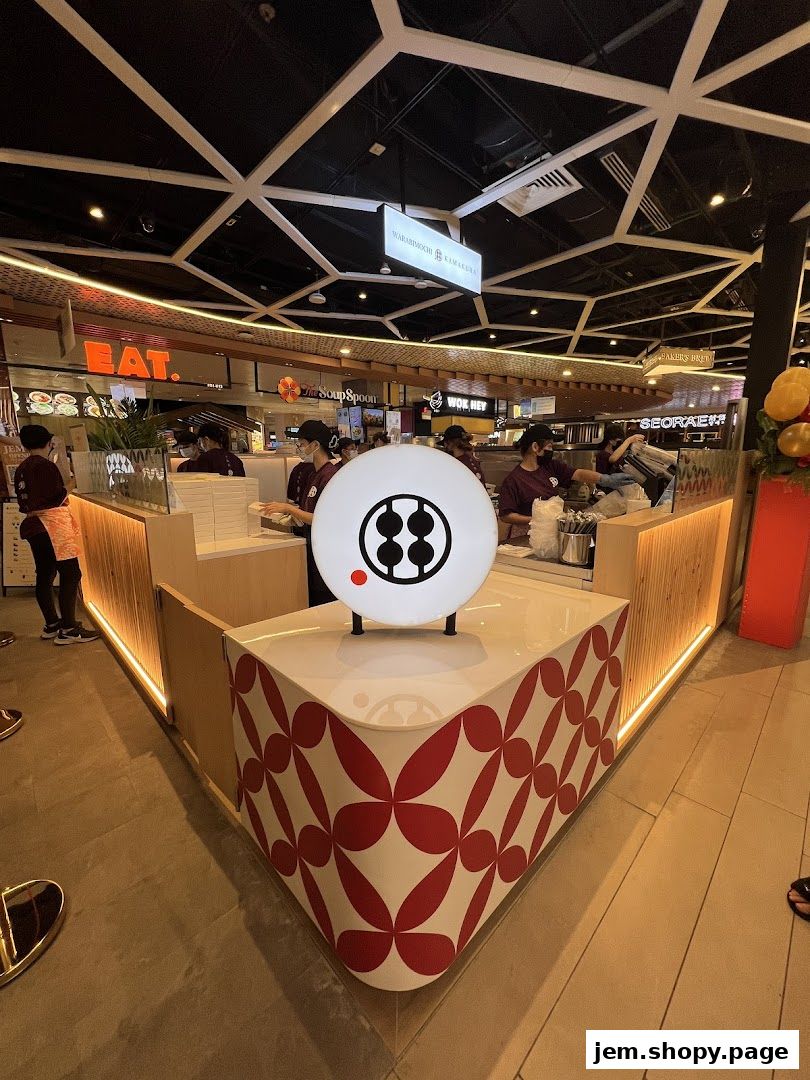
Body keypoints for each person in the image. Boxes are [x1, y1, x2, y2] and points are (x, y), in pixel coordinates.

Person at [13, 425, 99, 644]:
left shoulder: (22, 467)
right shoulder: (45, 466)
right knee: (71, 574)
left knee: (45, 574)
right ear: (49, 442)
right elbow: (54, 498)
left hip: (34, 527)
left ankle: (52, 623)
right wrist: (71, 485)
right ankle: (69, 629)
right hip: (52, 526)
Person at [498, 423, 634, 539]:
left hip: (550, 533)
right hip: (525, 536)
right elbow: (506, 515)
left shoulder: (551, 466)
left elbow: (579, 474)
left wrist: (604, 479)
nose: (551, 450)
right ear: (535, 447)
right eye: (549, 446)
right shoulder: (513, 480)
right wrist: (536, 520)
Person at [262, 420, 338, 606]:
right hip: (312, 547)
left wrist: (289, 509)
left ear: (315, 445)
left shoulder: (330, 476)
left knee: (324, 600)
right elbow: (308, 511)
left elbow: (325, 520)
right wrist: (292, 517)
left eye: (301, 444)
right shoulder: (314, 474)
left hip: (326, 551)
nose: (299, 449)